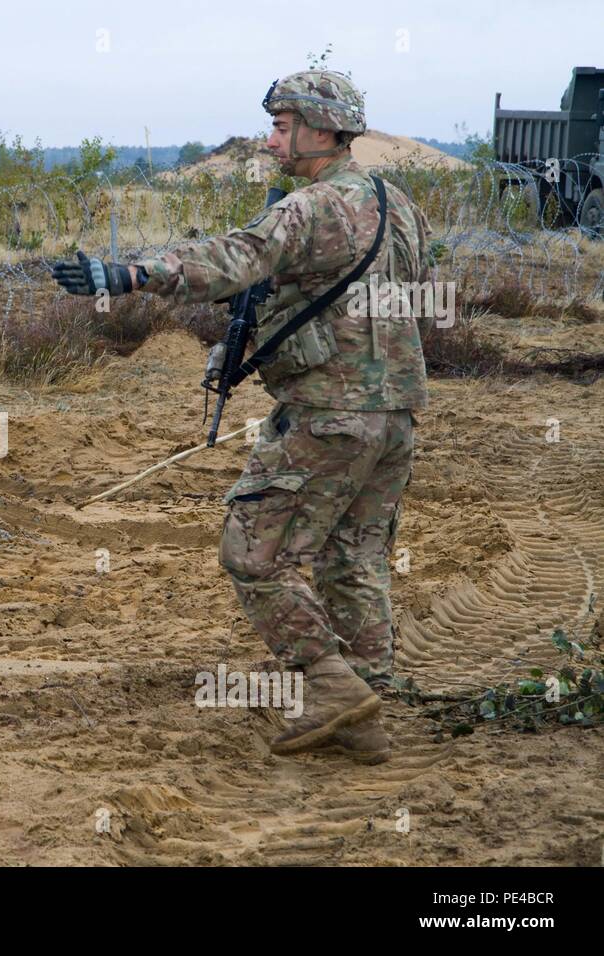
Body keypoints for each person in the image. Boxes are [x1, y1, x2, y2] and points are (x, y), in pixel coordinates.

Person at [53, 71, 431, 762]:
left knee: (253, 552)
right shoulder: (399, 204)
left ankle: (330, 682)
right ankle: (367, 703)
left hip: (327, 412)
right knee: (354, 555)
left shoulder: (311, 207)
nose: (271, 138)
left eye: (283, 126)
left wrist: (132, 275)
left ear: (323, 130)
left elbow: (235, 258)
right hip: (396, 411)